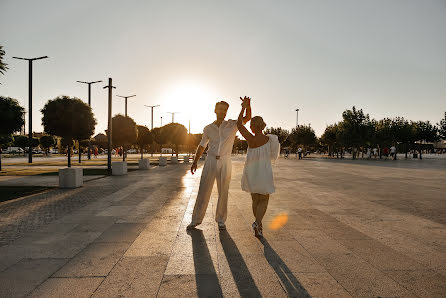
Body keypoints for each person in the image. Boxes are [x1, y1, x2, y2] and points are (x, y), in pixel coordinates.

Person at [187, 97, 252, 230]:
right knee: (204, 189)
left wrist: (246, 106)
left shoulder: (233, 124)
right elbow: (202, 145)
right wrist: (195, 162)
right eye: (220, 109)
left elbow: (247, 118)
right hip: (210, 160)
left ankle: (221, 220)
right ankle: (195, 220)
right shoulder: (208, 128)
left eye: (225, 110)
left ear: (227, 111)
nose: (222, 111)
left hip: (225, 161)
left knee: (224, 191)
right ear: (215, 110)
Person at [236, 100, 280, 238]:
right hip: (264, 172)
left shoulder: (250, 139)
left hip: (251, 172)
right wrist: (248, 106)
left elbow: (238, 124)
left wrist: (245, 108)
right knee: (264, 199)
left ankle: (258, 226)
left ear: (253, 128)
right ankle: (257, 223)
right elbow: (273, 156)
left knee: (255, 200)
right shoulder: (271, 139)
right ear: (263, 126)